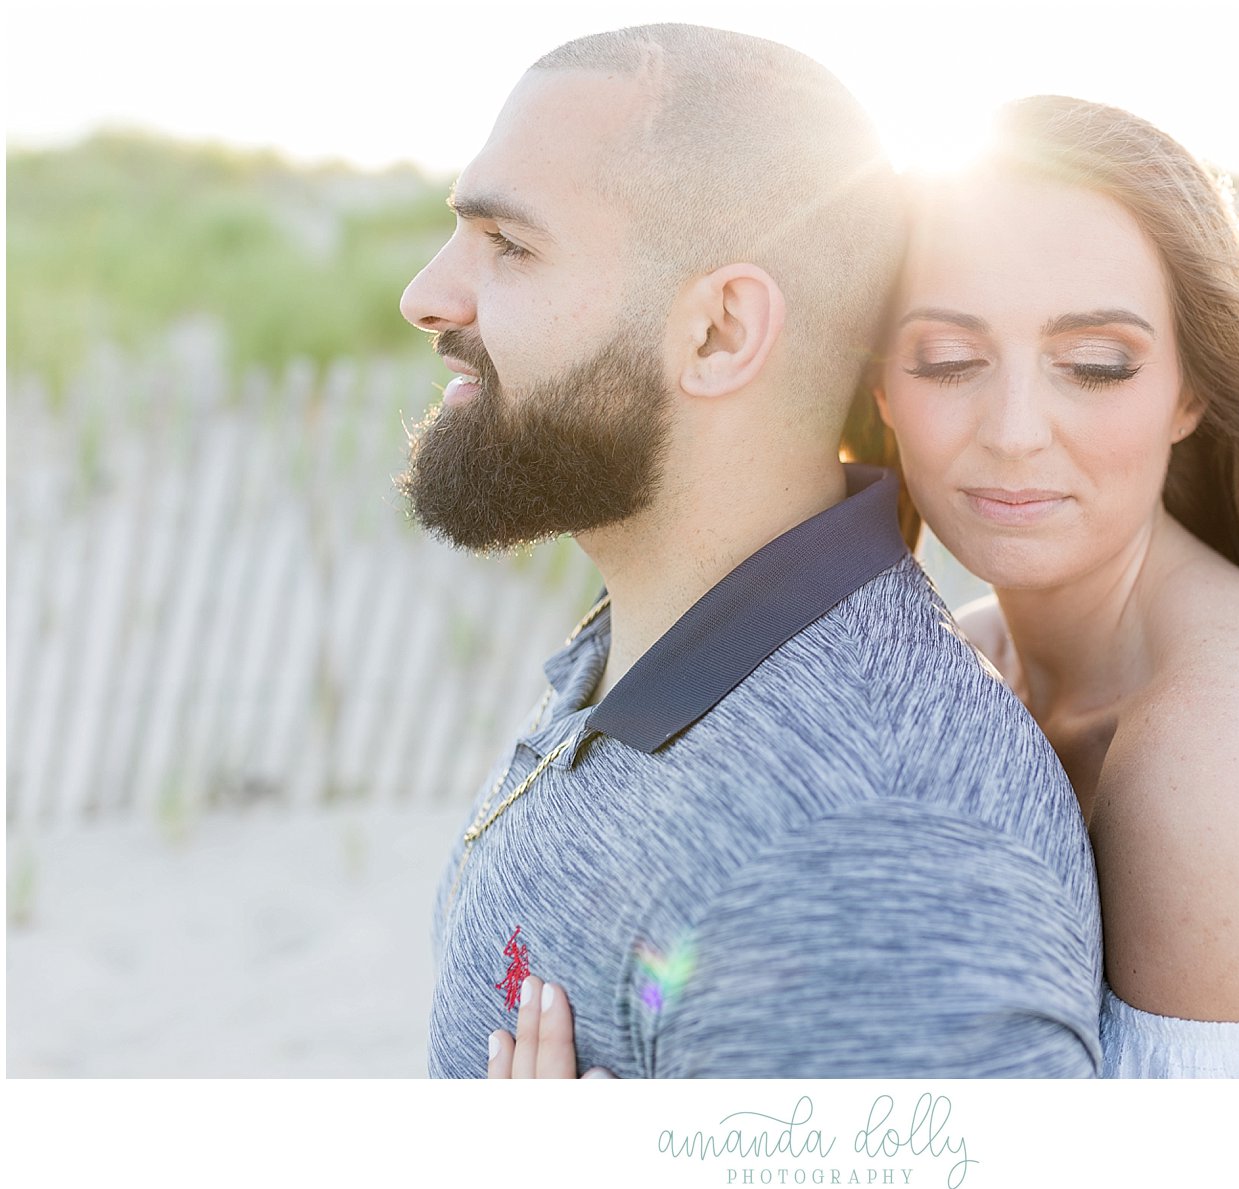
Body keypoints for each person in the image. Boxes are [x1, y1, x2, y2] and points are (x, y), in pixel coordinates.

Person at [504, 94, 1239, 1079]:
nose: (1015, 429)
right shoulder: (962, 670)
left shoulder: (1233, 752)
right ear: (880, 387)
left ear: (1191, 390)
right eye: (950, 359)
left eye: (1096, 364)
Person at [397, 25, 1103, 1079]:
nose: (426, 296)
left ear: (721, 331)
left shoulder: (860, 870)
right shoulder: (657, 639)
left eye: (510, 245)